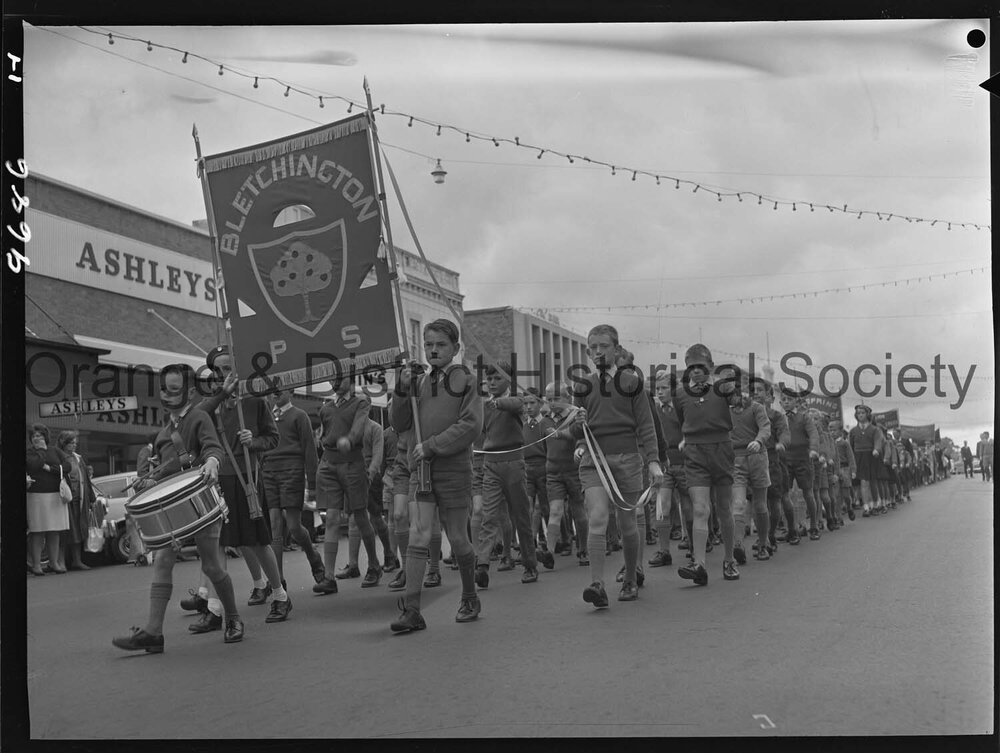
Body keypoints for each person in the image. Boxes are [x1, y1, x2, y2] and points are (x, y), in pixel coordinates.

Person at [112, 363, 240, 651]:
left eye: (174, 390)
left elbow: (213, 447)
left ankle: (232, 618)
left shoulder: (198, 418)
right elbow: (165, 469)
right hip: (171, 506)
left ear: (190, 392)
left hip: (199, 500)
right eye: (164, 390)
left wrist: (211, 461)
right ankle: (154, 633)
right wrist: (149, 481)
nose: (167, 395)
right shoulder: (164, 431)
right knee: (162, 563)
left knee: (211, 566)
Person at [388, 318, 484, 632]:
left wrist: (432, 445)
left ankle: (469, 595)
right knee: (418, 533)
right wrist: (401, 390)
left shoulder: (466, 381)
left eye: (441, 345)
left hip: (453, 469)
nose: (433, 350)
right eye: (428, 344)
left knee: (457, 537)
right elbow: (400, 423)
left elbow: (471, 426)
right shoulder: (417, 381)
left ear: (456, 348)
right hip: (422, 471)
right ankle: (412, 609)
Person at [571, 324, 662, 607]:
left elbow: (646, 425)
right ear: (588, 352)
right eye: (593, 348)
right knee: (597, 517)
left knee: (627, 522)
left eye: (604, 346)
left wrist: (654, 462)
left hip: (626, 459)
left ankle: (632, 578)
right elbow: (577, 431)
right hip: (594, 462)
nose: (598, 352)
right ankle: (597, 584)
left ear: (617, 350)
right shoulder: (582, 385)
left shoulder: (632, 382)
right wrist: (578, 427)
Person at [200, 346, 291, 627]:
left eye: (227, 369)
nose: (222, 375)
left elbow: (272, 438)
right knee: (218, 545)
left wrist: (254, 441)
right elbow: (195, 425)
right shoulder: (211, 405)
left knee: (256, 541)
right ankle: (215, 610)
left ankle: (280, 595)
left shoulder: (253, 402)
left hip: (246, 478)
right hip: (217, 480)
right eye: (217, 370)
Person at [475, 361, 549, 589]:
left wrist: (497, 402)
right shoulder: (484, 405)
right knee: (489, 516)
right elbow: (480, 436)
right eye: (489, 379)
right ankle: (482, 565)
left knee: (521, 516)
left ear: (509, 380)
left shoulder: (517, 402)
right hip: (491, 465)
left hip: (515, 464)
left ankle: (529, 564)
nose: (492, 383)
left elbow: (515, 403)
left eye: (497, 378)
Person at [672, 345, 737, 586]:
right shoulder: (679, 394)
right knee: (700, 509)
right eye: (691, 368)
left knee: (723, 507)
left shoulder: (722, 388)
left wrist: (732, 388)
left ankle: (729, 559)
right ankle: (698, 564)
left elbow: (738, 402)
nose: (696, 372)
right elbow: (683, 420)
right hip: (695, 452)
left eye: (701, 367)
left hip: (721, 449)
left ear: (710, 366)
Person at [313, 376, 383, 594]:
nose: (335, 382)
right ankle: (328, 577)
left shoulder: (361, 402)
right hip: (329, 463)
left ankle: (374, 564)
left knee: (361, 516)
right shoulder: (326, 408)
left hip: (353, 464)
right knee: (332, 518)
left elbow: (360, 426)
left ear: (350, 381)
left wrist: (350, 439)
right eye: (332, 379)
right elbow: (325, 432)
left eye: (340, 379)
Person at [262, 387, 325, 586]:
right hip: (269, 472)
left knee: (294, 527)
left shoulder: (300, 416)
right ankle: (278, 581)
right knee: (274, 526)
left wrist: (313, 484)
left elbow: (310, 450)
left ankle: (314, 557)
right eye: (271, 390)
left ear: (290, 391)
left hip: (292, 472)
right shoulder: (265, 417)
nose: (274, 393)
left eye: (279, 390)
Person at [726, 372, 771, 565]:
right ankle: (738, 545)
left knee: (760, 504)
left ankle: (762, 543)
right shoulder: (724, 411)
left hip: (757, 457)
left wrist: (758, 440)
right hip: (735, 460)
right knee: (738, 504)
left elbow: (765, 428)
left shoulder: (756, 408)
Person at [544, 381, 589, 567]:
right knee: (555, 511)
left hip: (574, 471)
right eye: (548, 399)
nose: (552, 403)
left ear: (566, 398)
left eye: (556, 398)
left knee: (579, 511)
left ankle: (583, 549)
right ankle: (548, 552)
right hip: (553, 472)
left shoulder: (575, 416)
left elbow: (582, 436)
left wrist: (576, 446)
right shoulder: (544, 418)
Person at [649, 371, 691, 568]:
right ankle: (664, 551)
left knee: (688, 506)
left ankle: (693, 543)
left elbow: (690, 429)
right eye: (657, 388)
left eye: (664, 388)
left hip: (684, 462)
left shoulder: (681, 409)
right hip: (664, 463)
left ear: (672, 390)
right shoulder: (655, 411)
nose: (660, 392)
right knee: (662, 505)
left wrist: (685, 440)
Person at [26, 424, 71, 576]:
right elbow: (34, 465)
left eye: (39, 435)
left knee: (54, 531)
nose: (36, 438)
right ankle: (36, 565)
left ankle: (54, 562)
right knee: (37, 531)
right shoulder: (30, 452)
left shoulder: (55, 450)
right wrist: (40, 451)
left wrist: (50, 468)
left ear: (45, 436)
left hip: (55, 495)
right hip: (37, 496)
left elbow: (67, 466)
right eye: (34, 436)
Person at [57, 430, 96, 571]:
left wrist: (91, 497)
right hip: (65, 499)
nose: (74, 446)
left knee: (78, 530)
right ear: (63, 443)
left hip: (80, 499)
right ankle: (60, 561)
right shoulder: (59, 457)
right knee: (64, 531)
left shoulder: (78, 458)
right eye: (71, 443)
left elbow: (86, 479)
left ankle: (77, 560)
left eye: (75, 443)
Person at [848, 404, 885, 517]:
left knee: (873, 482)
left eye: (862, 413)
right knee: (864, 482)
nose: (860, 415)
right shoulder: (853, 431)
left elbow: (878, 441)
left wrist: (876, 449)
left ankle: (875, 504)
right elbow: (850, 446)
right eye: (858, 413)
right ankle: (866, 507)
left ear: (867, 415)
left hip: (872, 456)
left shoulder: (875, 429)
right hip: (859, 457)